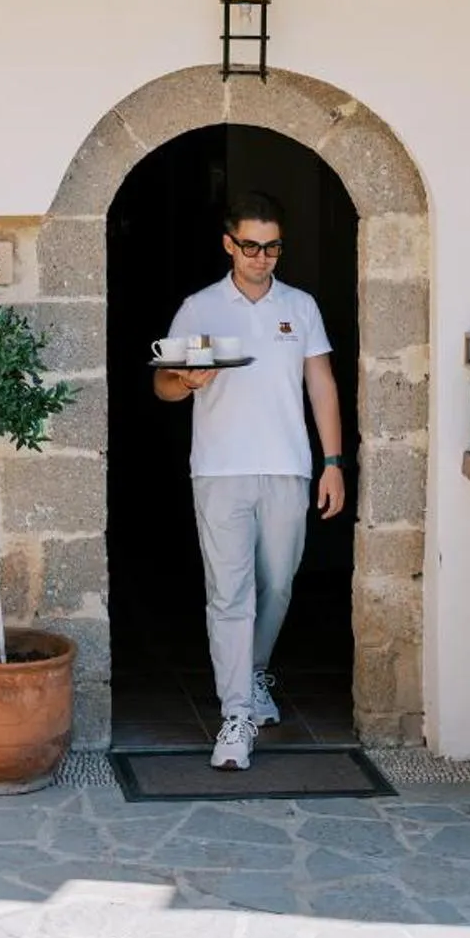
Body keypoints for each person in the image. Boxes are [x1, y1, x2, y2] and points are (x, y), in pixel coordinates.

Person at [152, 191, 346, 771]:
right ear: (229, 245)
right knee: (229, 595)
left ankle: (255, 671)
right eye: (252, 247)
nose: (262, 257)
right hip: (219, 470)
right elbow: (162, 385)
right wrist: (186, 382)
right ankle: (235, 714)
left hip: (288, 466)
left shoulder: (300, 307)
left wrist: (333, 463)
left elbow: (322, 384)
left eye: (272, 248)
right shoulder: (200, 308)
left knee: (278, 585)